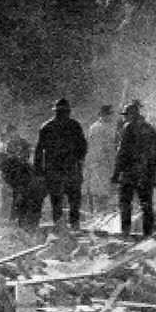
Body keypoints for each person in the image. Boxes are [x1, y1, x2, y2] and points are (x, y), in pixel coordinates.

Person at [33, 99, 88, 230]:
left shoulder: (47, 126)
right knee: (72, 199)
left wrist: (39, 172)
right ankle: (72, 225)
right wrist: (79, 161)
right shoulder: (74, 125)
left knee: (59, 200)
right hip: (67, 168)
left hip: (56, 169)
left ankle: (61, 227)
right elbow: (83, 147)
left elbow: (39, 152)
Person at [112, 100, 156, 237]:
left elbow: (122, 152)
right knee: (146, 205)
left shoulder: (128, 127)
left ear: (131, 115)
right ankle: (148, 234)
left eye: (125, 115)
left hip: (130, 172)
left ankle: (125, 232)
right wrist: (153, 173)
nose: (124, 117)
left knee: (125, 203)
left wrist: (116, 174)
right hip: (146, 173)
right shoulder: (151, 128)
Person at [85, 105, 119, 212]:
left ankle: (101, 214)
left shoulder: (104, 127)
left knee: (104, 192)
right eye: (109, 114)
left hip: (104, 164)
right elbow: (100, 149)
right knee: (101, 193)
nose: (111, 117)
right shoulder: (98, 128)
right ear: (103, 115)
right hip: (101, 164)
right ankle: (99, 216)